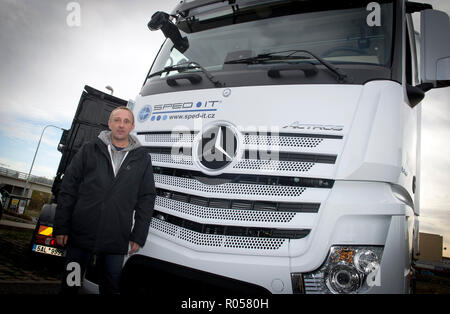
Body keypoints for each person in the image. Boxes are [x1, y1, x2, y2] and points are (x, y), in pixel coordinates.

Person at [54, 106, 156, 294]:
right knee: (71, 284)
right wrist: (61, 226)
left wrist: (139, 234)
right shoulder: (89, 150)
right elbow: (68, 188)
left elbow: (147, 198)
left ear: (132, 126)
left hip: (115, 239)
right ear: (109, 123)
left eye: (126, 121)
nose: (121, 125)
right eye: (117, 120)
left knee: (110, 287)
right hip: (80, 235)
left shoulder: (142, 158)